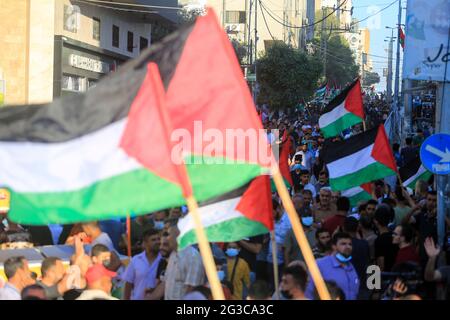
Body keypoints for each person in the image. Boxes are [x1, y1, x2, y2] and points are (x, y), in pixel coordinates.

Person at [305, 232, 359, 300]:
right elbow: (309, 292)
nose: (348, 247)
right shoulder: (319, 264)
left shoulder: (351, 267)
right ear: (334, 246)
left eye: (350, 244)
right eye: (343, 244)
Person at [164, 223, 206, 300]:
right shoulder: (173, 255)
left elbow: (192, 288)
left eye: (169, 235)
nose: (166, 239)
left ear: (178, 236)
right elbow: (165, 282)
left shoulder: (193, 256)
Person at [123, 228, 162, 300]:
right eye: (153, 240)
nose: (157, 242)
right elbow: (128, 283)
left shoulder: (164, 260)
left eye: (158, 239)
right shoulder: (136, 260)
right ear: (145, 243)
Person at [405, 190, 438, 265]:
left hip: (437, 258)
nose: (431, 203)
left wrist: (441, 214)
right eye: (429, 199)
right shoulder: (422, 215)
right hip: (422, 256)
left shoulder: (441, 218)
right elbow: (404, 222)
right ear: (426, 200)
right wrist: (414, 209)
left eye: (434, 200)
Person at [342, 217, 370, 289]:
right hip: (362, 280)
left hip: (347, 281)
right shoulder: (364, 244)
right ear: (357, 228)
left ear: (343, 228)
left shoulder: (341, 246)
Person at [374, 204, 398, 271]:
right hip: (396, 273)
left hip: (387, 275)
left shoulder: (379, 240)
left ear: (376, 221)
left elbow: (381, 265)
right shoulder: (395, 235)